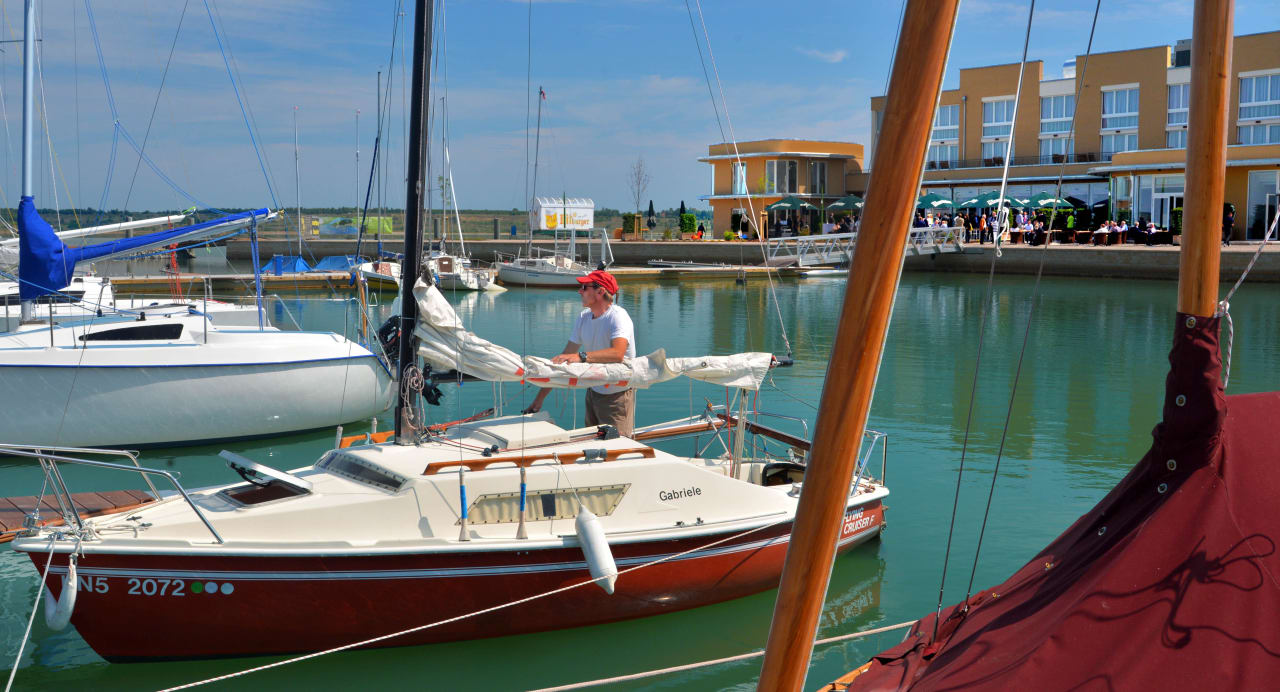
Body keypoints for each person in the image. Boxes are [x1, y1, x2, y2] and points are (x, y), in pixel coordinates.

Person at [522, 270, 636, 436]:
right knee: (592, 443)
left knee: (617, 446)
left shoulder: (618, 317)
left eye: (584, 287)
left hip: (616, 397)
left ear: (600, 291)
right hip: (593, 393)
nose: (579, 291)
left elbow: (618, 353)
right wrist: (540, 398)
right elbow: (563, 358)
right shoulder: (583, 318)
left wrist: (581, 357)